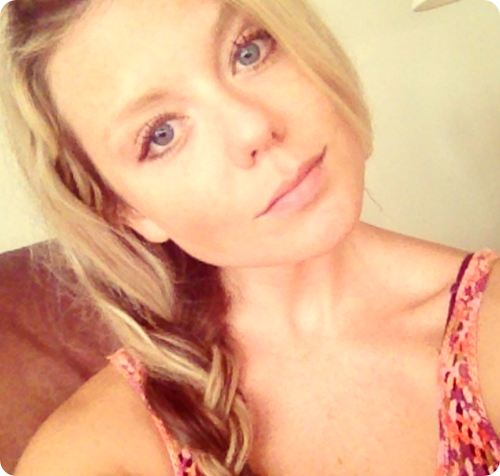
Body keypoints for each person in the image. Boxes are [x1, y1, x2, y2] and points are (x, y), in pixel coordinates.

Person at [1, 0, 499, 475]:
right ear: (126, 210)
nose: (255, 128)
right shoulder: (93, 451)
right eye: (161, 133)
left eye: (248, 51)